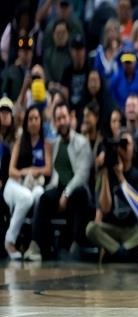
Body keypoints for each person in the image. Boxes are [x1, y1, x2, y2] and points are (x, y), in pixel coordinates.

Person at [25, 102, 93, 261]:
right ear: (55, 122)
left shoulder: (82, 142)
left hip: (76, 190)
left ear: (70, 118)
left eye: (64, 117)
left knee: (79, 193)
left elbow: (82, 175)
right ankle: (38, 247)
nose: (61, 122)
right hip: (59, 188)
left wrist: (66, 193)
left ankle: (76, 246)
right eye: (58, 119)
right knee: (43, 198)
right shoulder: (54, 144)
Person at [86, 130, 138, 261]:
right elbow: (105, 208)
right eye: (122, 144)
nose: (125, 148)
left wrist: (120, 176)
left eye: (127, 144)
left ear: (133, 148)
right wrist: (105, 173)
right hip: (111, 228)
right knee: (91, 228)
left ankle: (118, 250)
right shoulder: (108, 173)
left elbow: (137, 205)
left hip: (130, 230)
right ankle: (120, 252)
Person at [3, 106, 52, 259]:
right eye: (30, 119)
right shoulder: (19, 142)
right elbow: (11, 171)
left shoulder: (46, 144)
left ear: (41, 121)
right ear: (26, 123)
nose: (33, 122)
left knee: (40, 195)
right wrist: (27, 171)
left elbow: (48, 170)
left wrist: (35, 171)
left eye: (36, 118)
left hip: (34, 185)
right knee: (26, 197)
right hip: (14, 185)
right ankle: (9, 240)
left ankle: (34, 243)